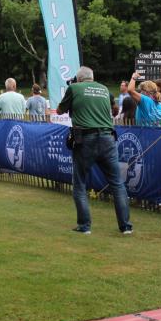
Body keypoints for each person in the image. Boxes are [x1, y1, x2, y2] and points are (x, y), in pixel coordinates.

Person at [57, 66, 133, 235]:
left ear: (79, 79)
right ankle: (125, 226)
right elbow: (115, 110)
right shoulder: (104, 89)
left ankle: (84, 226)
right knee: (117, 183)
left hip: (85, 139)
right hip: (107, 138)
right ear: (92, 77)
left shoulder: (74, 88)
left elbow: (59, 110)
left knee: (79, 183)